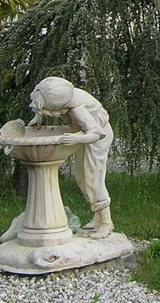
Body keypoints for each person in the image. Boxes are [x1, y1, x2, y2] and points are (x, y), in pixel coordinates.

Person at [28, 77, 114, 239]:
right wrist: (37, 118)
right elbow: (40, 101)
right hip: (83, 134)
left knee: (93, 179)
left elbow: (97, 133)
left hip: (96, 138)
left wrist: (75, 139)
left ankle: (106, 223)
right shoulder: (54, 95)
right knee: (81, 178)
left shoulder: (77, 110)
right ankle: (98, 217)